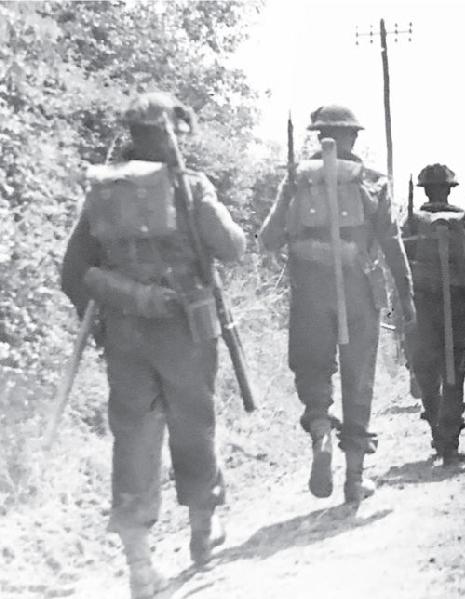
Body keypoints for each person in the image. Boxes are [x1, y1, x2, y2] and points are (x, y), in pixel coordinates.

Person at [60, 92, 245, 598]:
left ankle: (139, 564)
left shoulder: (102, 191)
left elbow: (72, 273)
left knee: (133, 438)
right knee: (194, 424)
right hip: (186, 327)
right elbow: (232, 249)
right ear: (175, 136)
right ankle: (202, 536)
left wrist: (104, 324)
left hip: (124, 334)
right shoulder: (191, 187)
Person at [258, 104, 415, 503]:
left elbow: (268, 238)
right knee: (358, 379)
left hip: (310, 293)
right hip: (359, 291)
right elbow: (393, 245)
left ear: (316, 135)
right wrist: (406, 298)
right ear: (355, 138)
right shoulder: (373, 182)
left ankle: (320, 431)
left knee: (313, 371)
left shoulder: (296, 181)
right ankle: (354, 479)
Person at [403, 163, 465, 464]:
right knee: (454, 372)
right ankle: (451, 443)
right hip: (458, 308)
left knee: (427, 371)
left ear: (425, 190)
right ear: (450, 189)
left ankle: (436, 431)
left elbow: (400, 268)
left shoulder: (413, 222)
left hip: (423, 308)